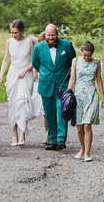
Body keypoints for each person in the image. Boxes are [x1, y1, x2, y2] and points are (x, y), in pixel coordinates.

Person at [32, 23, 75, 151]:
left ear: (57, 34)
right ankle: (53, 140)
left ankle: (61, 139)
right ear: (45, 34)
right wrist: (45, 74)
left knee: (62, 111)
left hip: (62, 85)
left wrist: (70, 83)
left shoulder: (67, 45)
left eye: (53, 35)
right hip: (46, 85)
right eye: (48, 35)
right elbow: (35, 63)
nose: (51, 38)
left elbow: (73, 62)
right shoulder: (38, 47)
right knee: (49, 114)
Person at [0, 19, 39, 146]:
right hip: (13, 75)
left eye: (16, 32)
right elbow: (5, 60)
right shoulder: (9, 42)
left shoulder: (29, 41)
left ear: (22, 31)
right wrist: (1, 75)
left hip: (26, 75)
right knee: (13, 104)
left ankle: (22, 134)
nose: (14, 35)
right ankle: (14, 134)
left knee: (24, 104)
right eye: (12, 32)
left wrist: (25, 71)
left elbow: (34, 61)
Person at [68, 41, 104, 162]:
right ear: (81, 53)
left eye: (89, 55)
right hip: (78, 95)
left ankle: (88, 153)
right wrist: (68, 93)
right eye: (85, 55)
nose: (87, 57)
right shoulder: (76, 61)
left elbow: (99, 79)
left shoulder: (96, 62)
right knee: (79, 127)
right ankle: (82, 149)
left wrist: (103, 96)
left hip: (91, 95)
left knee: (87, 124)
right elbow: (72, 77)